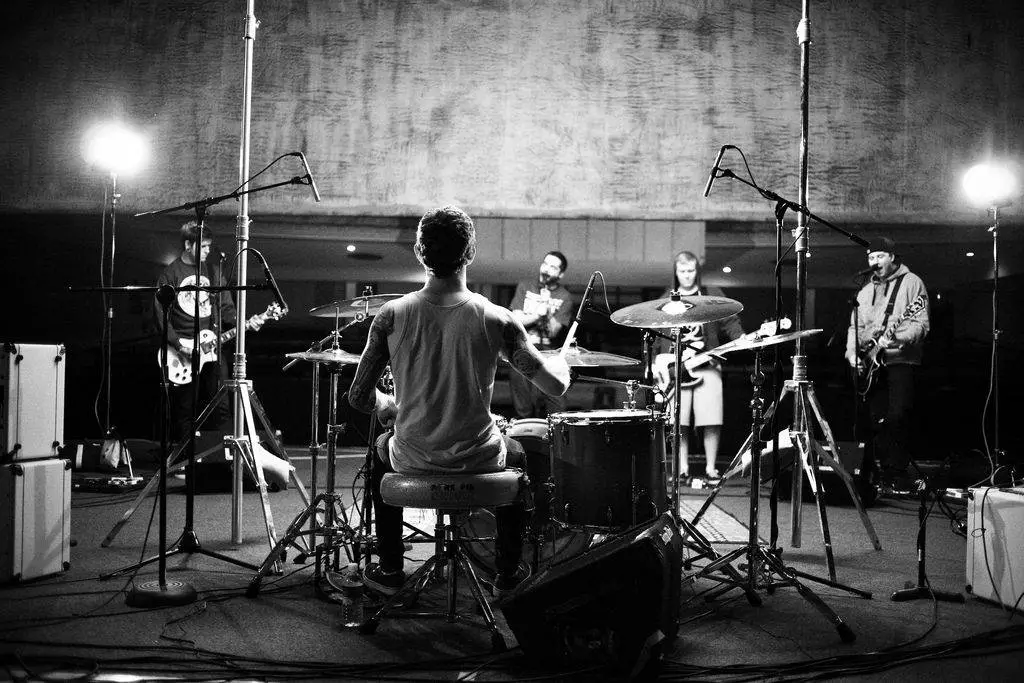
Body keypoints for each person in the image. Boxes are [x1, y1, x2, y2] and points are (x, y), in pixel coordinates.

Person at [348, 206, 571, 597]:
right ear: (470, 253)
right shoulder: (497, 318)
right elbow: (555, 387)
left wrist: (388, 404)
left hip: (412, 459)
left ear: (419, 252)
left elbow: (359, 397)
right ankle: (508, 573)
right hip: (480, 459)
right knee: (518, 453)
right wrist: (562, 363)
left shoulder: (391, 315)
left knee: (381, 449)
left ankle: (390, 567)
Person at [154, 221, 251, 445]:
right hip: (183, 353)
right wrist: (179, 344)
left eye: (209, 246)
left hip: (212, 349)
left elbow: (227, 309)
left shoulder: (213, 273)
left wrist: (244, 323)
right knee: (185, 409)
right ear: (189, 244)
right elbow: (160, 315)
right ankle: (185, 464)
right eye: (204, 246)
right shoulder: (171, 275)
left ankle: (219, 461)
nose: (209, 251)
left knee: (222, 406)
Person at [651, 250, 744, 483]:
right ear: (675, 272)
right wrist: (655, 363)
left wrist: (740, 337)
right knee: (678, 420)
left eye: (691, 271)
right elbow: (656, 332)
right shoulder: (667, 297)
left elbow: (730, 319)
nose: (686, 276)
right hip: (675, 368)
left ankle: (711, 468)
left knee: (711, 418)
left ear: (697, 271)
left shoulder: (710, 294)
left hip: (707, 363)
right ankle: (682, 468)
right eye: (682, 271)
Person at [845, 237, 929, 490]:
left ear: (892, 257)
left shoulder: (912, 283)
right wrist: (852, 353)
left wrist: (899, 339)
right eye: (871, 257)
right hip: (871, 363)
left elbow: (921, 324)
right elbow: (855, 326)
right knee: (871, 419)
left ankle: (896, 472)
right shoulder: (865, 290)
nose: (875, 262)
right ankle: (874, 472)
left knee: (897, 415)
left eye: (880, 256)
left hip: (901, 361)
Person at [507, 251, 574, 418]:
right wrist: (537, 315)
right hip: (524, 346)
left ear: (560, 273)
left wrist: (547, 309)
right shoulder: (525, 287)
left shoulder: (564, 297)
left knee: (557, 402)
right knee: (521, 393)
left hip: (549, 351)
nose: (546, 269)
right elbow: (516, 320)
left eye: (553, 267)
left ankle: (554, 432)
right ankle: (525, 429)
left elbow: (553, 331)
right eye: (545, 264)